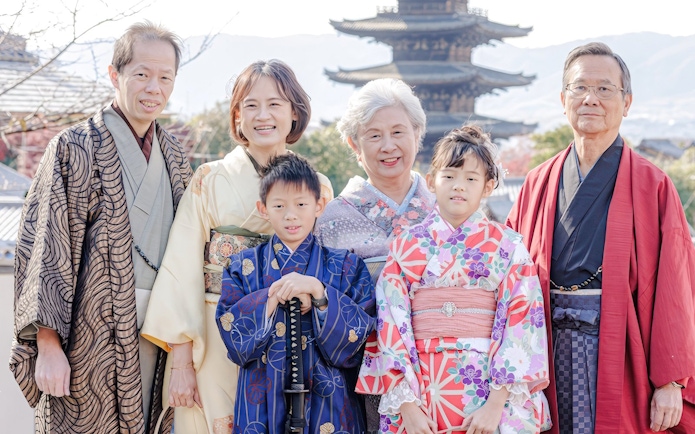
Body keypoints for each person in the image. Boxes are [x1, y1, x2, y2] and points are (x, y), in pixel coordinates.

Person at [10, 21, 192, 433]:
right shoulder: (73, 147)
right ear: (115, 74)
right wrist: (48, 345)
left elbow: (189, 252)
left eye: (166, 77)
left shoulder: (176, 156)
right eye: (141, 74)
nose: (154, 88)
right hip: (86, 337)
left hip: (159, 334)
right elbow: (46, 247)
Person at [506, 42, 695, 433]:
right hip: (545, 348)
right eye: (579, 88)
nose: (590, 98)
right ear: (563, 99)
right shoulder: (538, 183)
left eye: (605, 89)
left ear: (626, 103)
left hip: (619, 348)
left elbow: (676, 288)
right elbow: (505, 272)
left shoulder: (652, 185)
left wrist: (670, 380)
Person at [141, 60, 333, 433]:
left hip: (292, 336)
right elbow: (181, 269)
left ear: (294, 112)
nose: (263, 115)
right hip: (217, 334)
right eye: (251, 105)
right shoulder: (210, 179)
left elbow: (325, 268)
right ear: (237, 116)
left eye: (275, 104)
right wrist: (181, 362)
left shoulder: (318, 186)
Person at [357, 125, 551, 434]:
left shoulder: (508, 246)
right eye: (449, 176)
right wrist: (407, 406)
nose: (458, 186)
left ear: (488, 187)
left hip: (488, 395)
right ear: (432, 182)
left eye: (471, 179)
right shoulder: (407, 246)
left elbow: (523, 321)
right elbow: (390, 324)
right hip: (422, 392)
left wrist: (496, 405)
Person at [215, 153, 375, 433]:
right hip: (260, 397)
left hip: (330, 398)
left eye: (301, 204)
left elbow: (359, 340)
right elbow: (233, 338)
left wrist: (319, 293)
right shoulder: (242, 267)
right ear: (263, 208)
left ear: (319, 205)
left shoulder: (346, 266)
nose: (291, 215)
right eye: (279, 205)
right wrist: (272, 297)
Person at [314, 78, 435, 432]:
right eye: (373, 135)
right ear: (354, 143)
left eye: (399, 132)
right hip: (361, 370)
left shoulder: (444, 209)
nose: (388, 146)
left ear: (417, 134)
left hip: (442, 367)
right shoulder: (333, 219)